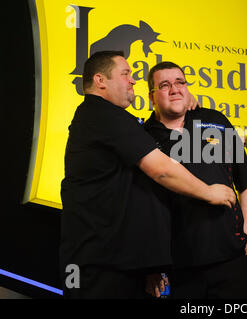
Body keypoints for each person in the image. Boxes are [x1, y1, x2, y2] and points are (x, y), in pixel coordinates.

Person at [60, 51, 236, 299]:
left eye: (180, 84)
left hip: (117, 261)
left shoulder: (108, 119)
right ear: (100, 81)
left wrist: (150, 265)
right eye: (125, 74)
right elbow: (161, 170)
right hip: (98, 265)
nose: (132, 81)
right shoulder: (103, 115)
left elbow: (137, 198)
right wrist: (209, 192)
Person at [143, 61, 247, 298]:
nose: (175, 89)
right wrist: (151, 264)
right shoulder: (143, 137)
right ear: (152, 97)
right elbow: (140, 206)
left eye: (180, 82)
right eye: (165, 85)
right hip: (180, 263)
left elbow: (244, 174)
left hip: (229, 254)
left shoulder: (215, 120)